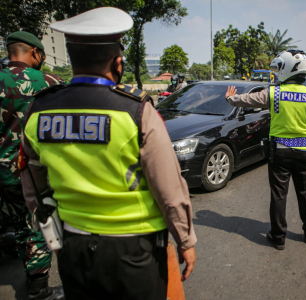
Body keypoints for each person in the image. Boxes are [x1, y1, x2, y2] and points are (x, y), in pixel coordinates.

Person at [20, 7, 197, 300]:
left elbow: (35, 187)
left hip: (73, 248)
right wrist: (185, 240)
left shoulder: (39, 110)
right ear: (118, 63)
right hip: (134, 251)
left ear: (72, 60)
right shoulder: (136, 111)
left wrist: (52, 231)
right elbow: (169, 187)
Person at [224, 50, 306, 248]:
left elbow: (247, 100)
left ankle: (278, 237)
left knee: (279, 195)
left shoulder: (274, 92)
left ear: (287, 69)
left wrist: (231, 98)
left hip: (280, 152)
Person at [0, 31, 65, 300]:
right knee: (37, 222)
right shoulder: (48, 81)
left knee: (15, 219)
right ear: (35, 53)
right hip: (27, 169)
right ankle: (38, 288)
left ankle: (19, 252)